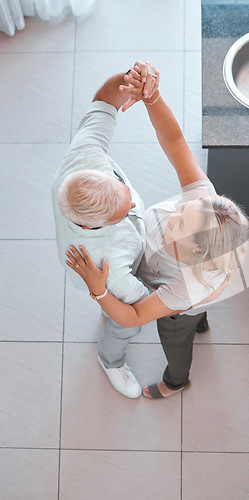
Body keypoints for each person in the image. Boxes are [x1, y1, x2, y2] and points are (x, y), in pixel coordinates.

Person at [66, 64, 249, 400]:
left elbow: (136, 314)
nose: (173, 214)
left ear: (195, 251)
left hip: (182, 305)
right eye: (183, 207)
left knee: (176, 334)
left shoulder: (186, 288)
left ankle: (176, 381)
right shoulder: (203, 202)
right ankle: (203, 323)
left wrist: (99, 291)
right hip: (191, 274)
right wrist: (152, 97)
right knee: (198, 314)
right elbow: (173, 139)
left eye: (179, 224)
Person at [52, 62, 160, 399]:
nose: (132, 206)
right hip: (105, 282)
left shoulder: (83, 158)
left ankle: (104, 310)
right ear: (91, 226)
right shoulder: (104, 261)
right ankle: (110, 360)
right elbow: (137, 310)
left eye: (123, 192)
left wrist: (129, 80)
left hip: (111, 277)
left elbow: (104, 100)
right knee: (124, 324)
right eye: (122, 212)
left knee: (113, 305)